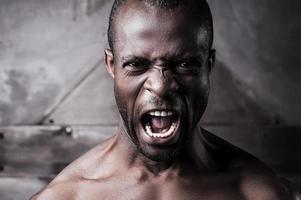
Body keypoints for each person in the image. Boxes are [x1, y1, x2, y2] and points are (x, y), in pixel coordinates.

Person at [31, 0, 296, 199]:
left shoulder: (261, 193)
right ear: (112, 65)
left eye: (184, 64)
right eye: (136, 64)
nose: (160, 86)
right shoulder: (66, 197)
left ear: (208, 65)